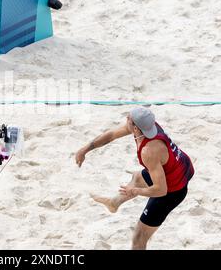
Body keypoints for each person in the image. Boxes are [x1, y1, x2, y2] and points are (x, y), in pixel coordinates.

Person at [75, 107, 195, 249]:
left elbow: (161, 190)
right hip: (181, 166)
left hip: (172, 192)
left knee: (139, 238)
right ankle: (113, 203)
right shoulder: (147, 127)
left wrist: (137, 191)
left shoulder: (149, 151)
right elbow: (112, 134)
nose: (126, 118)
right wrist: (85, 149)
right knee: (137, 177)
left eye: (129, 119)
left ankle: (118, 202)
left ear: (136, 128)